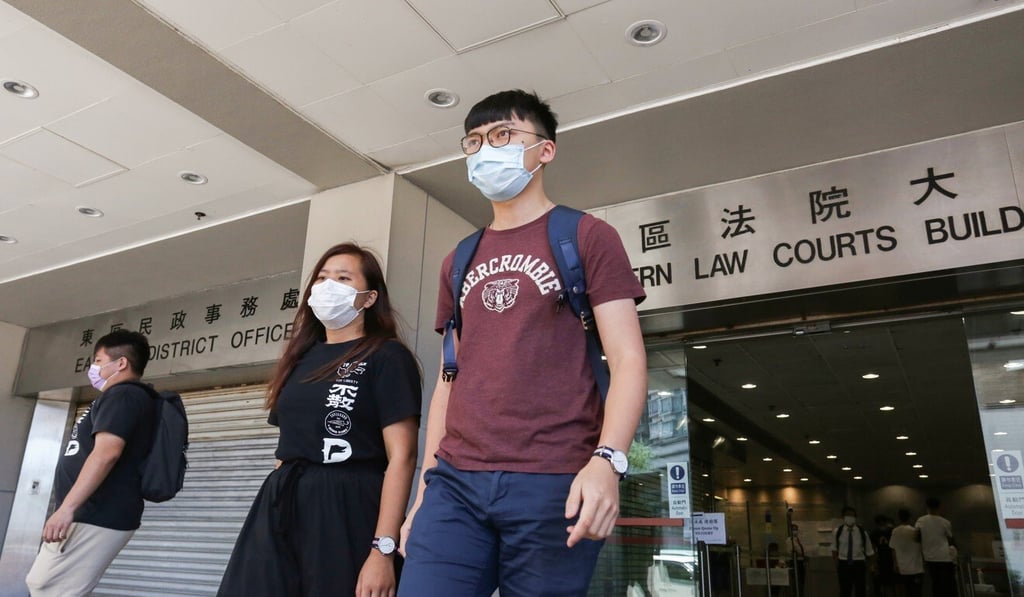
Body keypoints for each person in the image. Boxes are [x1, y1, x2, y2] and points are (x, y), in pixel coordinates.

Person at [399, 89, 647, 596]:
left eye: (503, 134)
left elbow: (627, 359)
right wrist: (426, 488)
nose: (486, 148)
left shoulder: (585, 236)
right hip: (455, 484)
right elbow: (450, 375)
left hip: (554, 480)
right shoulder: (458, 259)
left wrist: (608, 461)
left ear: (545, 150)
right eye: (474, 140)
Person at [217, 243, 422, 596]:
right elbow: (286, 447)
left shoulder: (387, 356)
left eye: (343, 278)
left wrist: (382, 549)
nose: (328, 286)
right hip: (283, 500)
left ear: (369, 298)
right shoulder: (299, 358)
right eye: (322, 278)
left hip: (348, 505)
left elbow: (402, 457)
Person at [26, 330, 158, 596]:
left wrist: (66, 509)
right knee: (47, 586)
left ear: (121, 363)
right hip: (93, 513)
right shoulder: (123, 397)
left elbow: (107, 453)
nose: (94, 368)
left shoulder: (124, 395)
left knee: (48, 587)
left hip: (95, 513)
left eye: (98, 360)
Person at [916, 497, 955, 597]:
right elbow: (950, 539)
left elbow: (916, 537)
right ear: (939, 507)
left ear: (927, 507)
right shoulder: (945, 522)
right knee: (947, 586)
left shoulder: (921, 521)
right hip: (945, 557)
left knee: (934, 584)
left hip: (929, 557)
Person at [832, 506, 875, 597]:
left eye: (852, 515)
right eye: (847, 515)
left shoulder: (862, 532)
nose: (850, 517)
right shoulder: (837, 531)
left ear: (855, 517)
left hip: (859, 563)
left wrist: (869, 566)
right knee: (845, 590)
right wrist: (837, 563)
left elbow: (869, 551)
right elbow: (834, 549)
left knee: (860, 590)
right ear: (843, 517)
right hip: (843, 563)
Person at [890, 508, 924, 597]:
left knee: (905, 592)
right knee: (916, 592)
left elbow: (893, 549)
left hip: (902, 567)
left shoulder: (895, 531)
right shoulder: (914, 531)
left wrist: (895, 563)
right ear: (910, 518)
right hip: (916, 567)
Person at [872, 514, 897, 597]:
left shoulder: (874, 532)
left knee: (880, 583)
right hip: (890, 558)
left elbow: (873, 549)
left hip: (880, 559)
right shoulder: (892, 531)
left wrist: (874, 564)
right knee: (890, 584)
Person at [786, 523, 807, 596]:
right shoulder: (789, 540)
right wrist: (798, 553)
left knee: (801, 581)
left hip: (800, 562)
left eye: (796, 529)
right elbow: (792, 551)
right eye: (793, 529)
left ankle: (801, 594)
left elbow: (800, 550)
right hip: (794, 562)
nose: (795, 531)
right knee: (796, 581)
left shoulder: (797, 539)